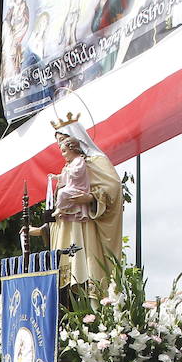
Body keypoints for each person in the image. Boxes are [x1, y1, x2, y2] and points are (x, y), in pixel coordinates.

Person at [25, 123, 124, 288]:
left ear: (76, 139)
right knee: (65, 284)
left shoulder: (96, 161)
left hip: (86, 227)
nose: (62, 147)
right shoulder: (67, 169)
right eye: (59, 144)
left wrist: (91, 197)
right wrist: (42, 230)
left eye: (64, 140)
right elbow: (61, 209)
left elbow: (114, 187)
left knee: (88, 278)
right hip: (65, 232)